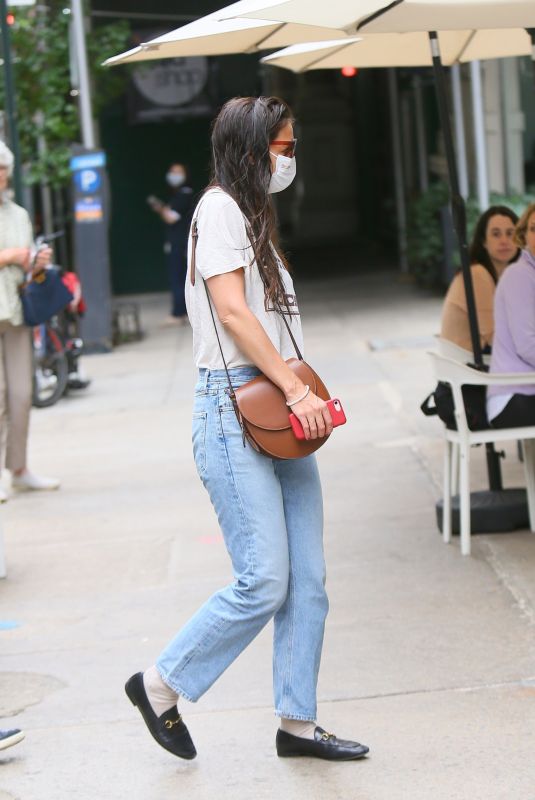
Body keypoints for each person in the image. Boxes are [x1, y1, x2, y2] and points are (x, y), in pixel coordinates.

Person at [125, 96, 369, 763]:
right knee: (265, 577)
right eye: (282, 148)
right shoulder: (218, 209)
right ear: (250, 148)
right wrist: (293, 388)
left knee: (308, 578)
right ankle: (160, 683)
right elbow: (233, 315)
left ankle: (296, 724)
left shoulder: (253, 216)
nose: (289, 159)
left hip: (278, 409)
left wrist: (296, 389)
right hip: (234, 407)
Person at [0, 142, 59, 502]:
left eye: (4, 169)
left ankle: (19, 469)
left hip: (17, 312)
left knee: (22, 395)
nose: (1, 176)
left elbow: (27, 264)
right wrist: (9, 255)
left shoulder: (17, 213)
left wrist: (35, 261)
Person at [440, 206, 519, 352]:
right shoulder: (477, 274)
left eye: (510, 234)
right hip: (469, 362)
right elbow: (493, 335)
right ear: (484, 241)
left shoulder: (506, 275)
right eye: (496, 234)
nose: (504, 241)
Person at [488, 202, 535, 428]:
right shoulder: (520, 276)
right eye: (534, 229)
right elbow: (528, 346)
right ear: (524, 235)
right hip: (514, 395)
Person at [148, 163, 194, 326]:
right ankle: (182, 312)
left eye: (178, 172)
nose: (174, 175)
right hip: (179, 242)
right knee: (180, 278)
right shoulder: (177, 194)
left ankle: (179, 313)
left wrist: (160, 208)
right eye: (172, 171)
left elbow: (171, 217)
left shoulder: (184, 194)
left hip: (180, 243)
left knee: (179, 278)